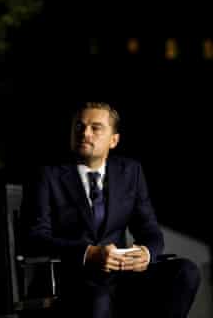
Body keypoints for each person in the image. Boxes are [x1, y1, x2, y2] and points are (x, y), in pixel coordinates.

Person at [23, 101, 200, 318]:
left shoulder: (130, 172)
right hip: (76, 279)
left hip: (123, 276)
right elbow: (35, 237)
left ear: (113, 140)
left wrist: (146, 253)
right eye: (79, 127)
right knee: (99, 300)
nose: (85, 133)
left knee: (185, 271)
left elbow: (150, 230)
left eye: (95, 128)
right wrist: (88, 253)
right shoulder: (47, 176)